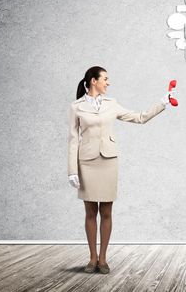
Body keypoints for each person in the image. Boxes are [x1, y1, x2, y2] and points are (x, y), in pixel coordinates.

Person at [67, 66, 174, 274]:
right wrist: (72, 170)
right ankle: (92, 258)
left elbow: (140, 117)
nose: (108, 82)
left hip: (108, 161)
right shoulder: (76, 107)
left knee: (106, 211)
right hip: (86, 162)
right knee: (90, 212)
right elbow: (72, 140)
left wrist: (163, 102)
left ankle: (103, 259)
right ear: (93, 81)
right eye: (105, 79)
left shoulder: (112, 104)